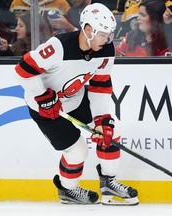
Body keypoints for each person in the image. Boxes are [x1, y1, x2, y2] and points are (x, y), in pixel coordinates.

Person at [14, 3, 139, 206]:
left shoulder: (106, 49)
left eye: (109, 34)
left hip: (76, 100)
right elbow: (23, 70)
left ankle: (108, 182)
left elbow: (101, 86)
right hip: (46, 109)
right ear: (88, 30)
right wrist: (42, 97)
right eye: (103, 34)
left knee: (110, 130)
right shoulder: (58, 47)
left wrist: (101, 119)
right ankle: (68, 190)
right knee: (78, 151)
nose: (107, 40)